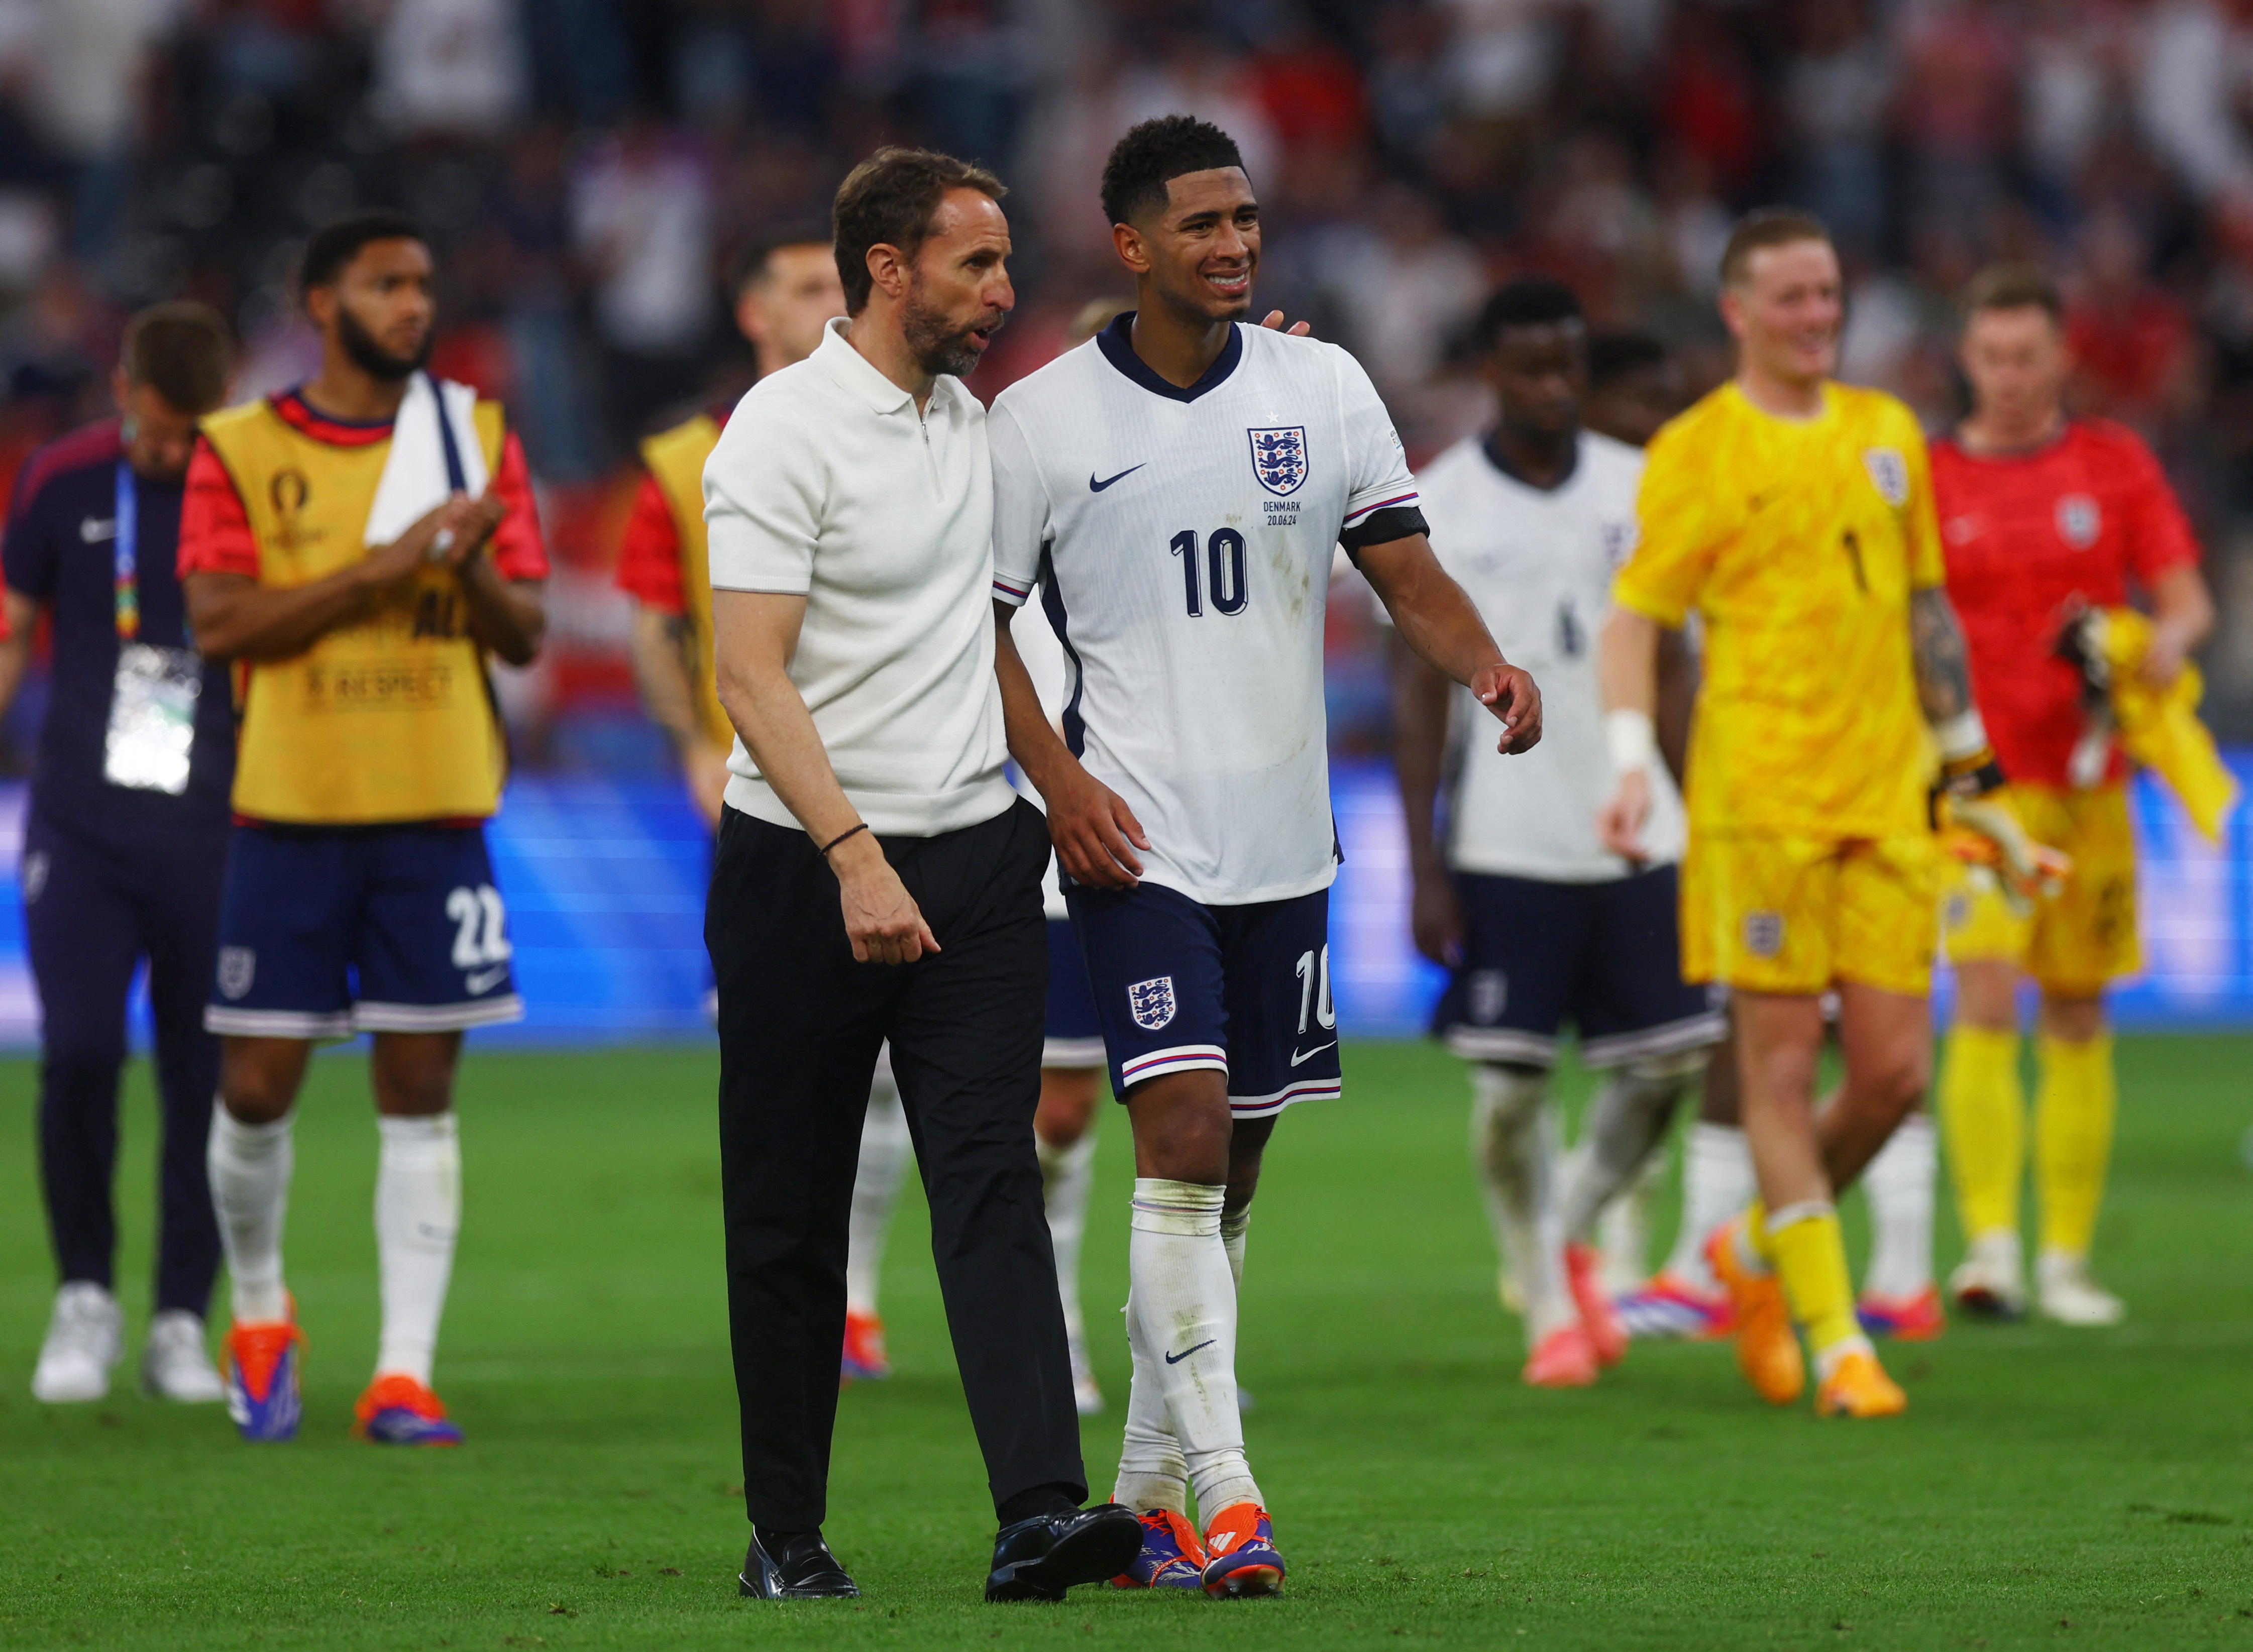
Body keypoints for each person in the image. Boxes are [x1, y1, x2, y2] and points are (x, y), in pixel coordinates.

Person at [989, 116, 1540, 1596]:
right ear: (1130, 246)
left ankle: (1146, 1491)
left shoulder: (1323, 384)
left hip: (1286, 847)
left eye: (1244, 217)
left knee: (1225, 1180)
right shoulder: (1040, 422)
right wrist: (1057, 790)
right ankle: (1230, 1497)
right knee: (1172, 1146)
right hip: (1136, 843)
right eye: (1200, 224)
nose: (1232, 243)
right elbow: (975, 630)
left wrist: (1486, 666)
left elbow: (1398, 562)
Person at [701, 147, 1140, 1603]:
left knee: (988, 1180)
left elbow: (986, 627)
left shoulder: (972, 424)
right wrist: (849, 857)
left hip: (974, 860)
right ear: (889, 268)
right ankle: (786, 1534)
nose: (1002, 291)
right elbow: (746, 675)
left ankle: (1033, 1517)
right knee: (790, 1205)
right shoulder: (780, 432)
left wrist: (1058, 785)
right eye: (976, 264)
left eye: (1006, 264)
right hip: (801, 874)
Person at [1595, 208, 2050, 1419]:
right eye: (1792, 296)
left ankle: (1749, 1250)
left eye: (1829, 294)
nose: (1816, 316)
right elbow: (1636, 616)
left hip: (1888, 802)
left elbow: (1924, 621)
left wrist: (1981, 788)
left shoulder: (1886, 433)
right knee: (1783, 1073)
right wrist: (1632, 754)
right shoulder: (1696, 448)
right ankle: (1836, 1333)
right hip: (1759, 809)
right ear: (1738, 310)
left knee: (1895, 1074)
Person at [178, 210, 549, 1446]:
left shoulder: (477, 435)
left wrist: (471, 569)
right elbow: (222, 625)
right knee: (256, 1084)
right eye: (385, 284)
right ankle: (260, 1308)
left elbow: (524, 633)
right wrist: (382, 571)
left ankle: (402, 1371)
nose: (412, 305)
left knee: (419, 1084)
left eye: (423, 285)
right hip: (292, 806)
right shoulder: (237, 445)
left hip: (436, 805)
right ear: (319, 297)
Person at [1391, 278, 1721, 1390]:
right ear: (1488, 371)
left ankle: (1568, 1224)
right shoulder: (1438, 502)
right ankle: (1543, 1297)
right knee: (1508, 1093)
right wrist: (1425, 864)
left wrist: (1697, 810)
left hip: (1637, 833)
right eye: (1530, 368)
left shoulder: (1642, 487)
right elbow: (1412, 690)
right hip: (1507, 839)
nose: (1553, 388)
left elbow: (1671, 664)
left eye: (1568, 367)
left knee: (1671, 1059)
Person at [613, 227, 914, 1384]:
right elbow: (653, 615)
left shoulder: (907, 425)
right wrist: (693, 741)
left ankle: (857, 1300)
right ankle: (800, 1301)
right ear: (752, 313)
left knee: (890, 1063)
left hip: (896, 782)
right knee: (788, 1063)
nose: (821, 299)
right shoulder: (683, 458)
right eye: (796, 284)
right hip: (762, 800)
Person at [1930, 264, 2214, 1325]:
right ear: (1966, 359)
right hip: (1975, 793)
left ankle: (2064, 1258)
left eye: (2026, 356)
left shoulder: (2112, 463)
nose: (2008, 376)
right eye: (1990, 357)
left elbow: (2185, 604)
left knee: (2079, 1010)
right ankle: (1990, 1247)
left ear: (2060, 358)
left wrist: (2151, 648)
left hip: (2090, 783)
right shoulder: (1925, 476)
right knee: (1987, 994)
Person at [3, 302, 237, 1406]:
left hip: (214, 825)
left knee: (207, 1074)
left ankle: (183, 1316)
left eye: (190, 436)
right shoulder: (63, 479)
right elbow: (12, 624)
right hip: (81, 823)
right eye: (156, 431)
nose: (170, 453)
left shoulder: (245, 484)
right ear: (123, 391)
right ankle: (86, 1294)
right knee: (84, 1050)